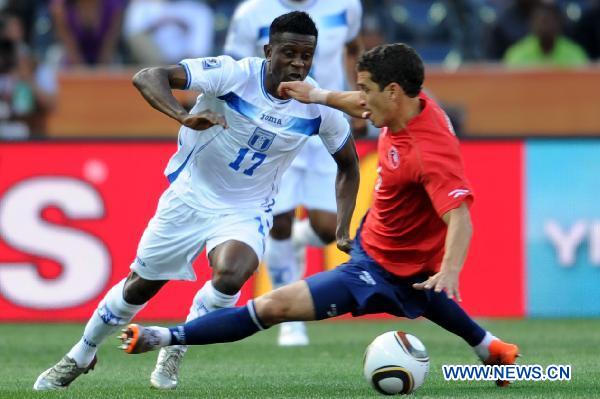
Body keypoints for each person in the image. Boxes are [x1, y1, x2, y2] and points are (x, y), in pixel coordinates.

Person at [120, 43, 520, 388]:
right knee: (421, 291)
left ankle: (163, 337)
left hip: (376, 269)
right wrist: (317, 95)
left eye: (366, 88)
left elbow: (460, 215)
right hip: (391, 250)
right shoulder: (410, 106)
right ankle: (491, 349)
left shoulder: (428, 151)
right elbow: (358, 103)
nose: (360, 98)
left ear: (393, 91)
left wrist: (450, 270)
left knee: (272, 307)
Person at [33, 11, 359, 391]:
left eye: (307, 56)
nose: (298, 64)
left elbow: (349, 166)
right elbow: (147, 76)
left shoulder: (317, 107)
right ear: (269, 50)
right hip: (191, 195)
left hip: (246, 208)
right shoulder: (232, 74)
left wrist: (342, 227)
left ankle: (175, 347)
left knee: (232, 275)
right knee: (139, 287)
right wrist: (183, 116)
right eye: (289, 53)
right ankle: (81, 354)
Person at [224, 0, 363, 348]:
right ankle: (289, 321)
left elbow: (354, 47)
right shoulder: (250, 13)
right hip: (276, 123)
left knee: (326, 228)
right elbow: (234, 67)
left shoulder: (346, 5)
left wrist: (355, 96)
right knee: (279, 221)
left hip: (324, 121)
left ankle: (297, 242)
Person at [503, 1, 588, 68]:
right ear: (531, 25)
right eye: (541, 22)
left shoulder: (575, 54)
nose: (545, 27)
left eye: (549, 22)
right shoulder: (517, 55)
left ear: (559, 24)